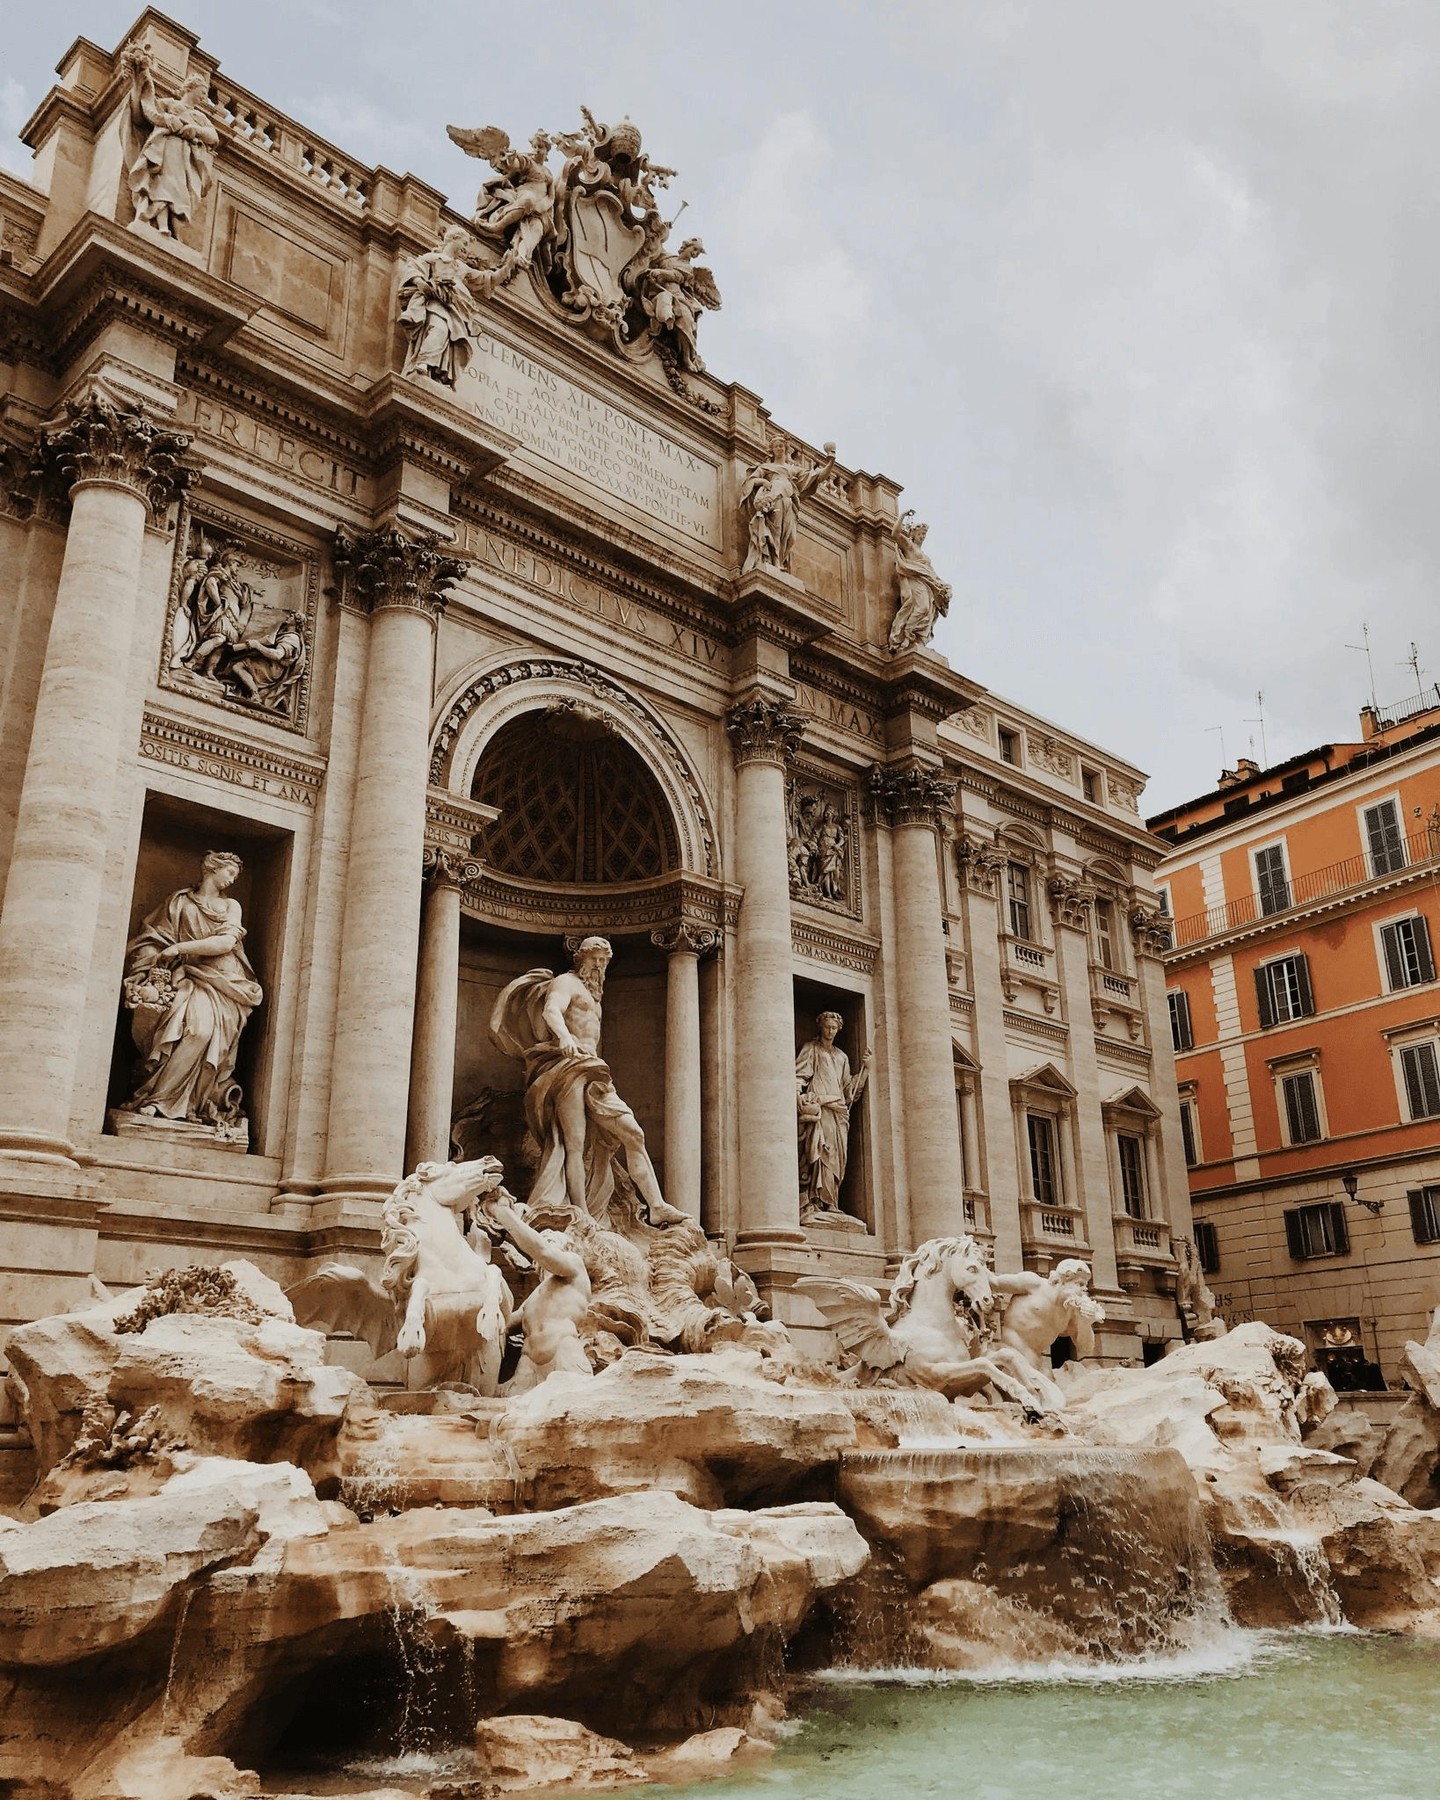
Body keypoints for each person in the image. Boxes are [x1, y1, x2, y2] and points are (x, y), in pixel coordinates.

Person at [491, 936, 687, 1227]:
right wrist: (565, 1037)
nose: (599, 965)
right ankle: (581, 1215)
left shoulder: (594, 994)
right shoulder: (565, 983)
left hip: (594, 1069)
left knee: (633, 1133)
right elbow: (551, 1010)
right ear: (580, 958)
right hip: (568, 1065)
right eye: (594, 958)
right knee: (575, 1144)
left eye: (604, 961)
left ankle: (656, 1205)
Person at [120, 851, 263, 1129]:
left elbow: (224, 944)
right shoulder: (179, 902)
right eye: (229, 872)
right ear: (212, 868)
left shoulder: (231, 906)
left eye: (236, 876)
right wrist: (154, 961)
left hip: (225, 983)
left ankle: (182, 1103)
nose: (232, 880)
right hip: (186, 977)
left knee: (203, 1032)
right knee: (183, 1030)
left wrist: (180, 948)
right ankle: (158, 1099)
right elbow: (154, 938)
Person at [483, 1190, 593, 1393]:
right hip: (528, 1363)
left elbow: (542, 1251)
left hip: (562, 1351)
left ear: (567, 1248)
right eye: (545, 1239)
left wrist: (503, 1214)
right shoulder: (534, 1297)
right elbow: (503, 1325)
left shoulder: (574, 1268)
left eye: (552, 1240)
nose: (545, 1244)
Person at [125, 52, 222, 239]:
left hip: (184, 155)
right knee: (163, 185)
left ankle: (166, 226)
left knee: (176, 189)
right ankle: (158, 224)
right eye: (202, 92)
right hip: (166, 148)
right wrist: (140, 83)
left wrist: (194, 129)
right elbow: (145, 112)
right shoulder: (169, 104)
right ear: (191, 88)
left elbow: (213, 137)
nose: (204, 96)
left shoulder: (200, 117)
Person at [397, 225, 495, 387]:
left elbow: (487, 279)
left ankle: (433, 369)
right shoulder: (433, 258)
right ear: (453, 239)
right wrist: (422, 283)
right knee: (439, 329)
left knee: (448, 334)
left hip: (455, 310)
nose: (465, 249)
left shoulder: (462, 267)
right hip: (435, 302)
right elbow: (412, 268)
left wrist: (508, 266)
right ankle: (422, 363)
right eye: (464, 243)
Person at [795, 1012, 870, 1219]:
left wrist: (865, 1070)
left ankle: (832, 1202)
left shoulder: (842, 1057)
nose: (830, 1031)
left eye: (833, 1028)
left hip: (838, 1111)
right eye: (827, 1027)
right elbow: (800, 1075)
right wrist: (797, 1095)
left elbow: (849, 1091)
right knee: (820, 1151)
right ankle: (816, 1200)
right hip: (821, 1107)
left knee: (837, 1157)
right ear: (820, 1027)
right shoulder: (811, 1049)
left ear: (838, 1029)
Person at [739, 443, 836, 574]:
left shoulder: (793, 470)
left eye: (781, 446)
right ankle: (774, 562)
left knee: (791, 538)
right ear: (772, 450)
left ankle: (779, 558)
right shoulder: (766, 467)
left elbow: (818, 477)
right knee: (776, 531)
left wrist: (831, 461)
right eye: (777, 446)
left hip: (789, 502)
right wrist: (763, 482)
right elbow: (750, 481)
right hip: (775, 499)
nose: (780, 448)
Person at [991, 1259, 1104, 1372]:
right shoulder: (1034, 1284)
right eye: (1080, 1284)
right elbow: (994, 1282)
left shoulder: (1071, 1312)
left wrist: (1085, 1323)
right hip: (1007, 1349)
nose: (1085, 1289)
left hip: (1033, 1360)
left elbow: (1086, 1348)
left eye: (1085, 1285)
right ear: (1065, 1279)